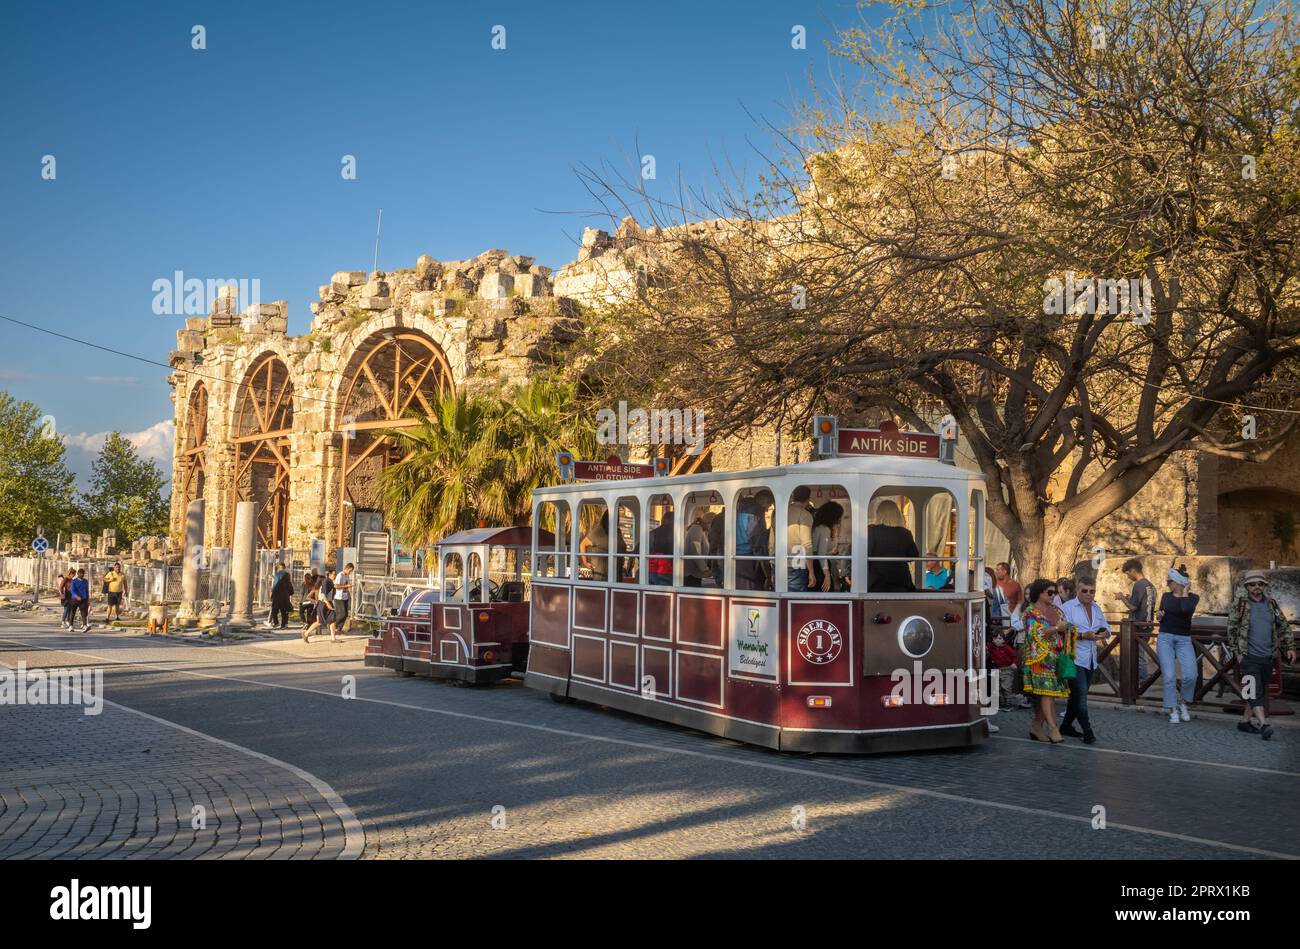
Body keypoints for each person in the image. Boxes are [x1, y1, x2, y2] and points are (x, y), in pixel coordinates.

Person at [1226, 571, 1297, 740]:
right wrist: (1238, 654)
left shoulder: (1272, 604)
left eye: (1260, 584)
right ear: (1247, 587)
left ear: (1264, 586)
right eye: (1252, 584)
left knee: (1257, 691)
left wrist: (1290, 647)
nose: (1256, 587)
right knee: (1253, 691)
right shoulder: (1240, 604)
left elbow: (1283, 626)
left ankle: (1244, 722)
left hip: (1267, 656)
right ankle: (1264, 724)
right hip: (1248, 656)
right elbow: (1231, 630)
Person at [1020, 577, 1076, 743]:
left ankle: (1037, 726)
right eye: (1050, 592)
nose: (1053, 596)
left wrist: (1069, 629)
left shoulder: (1057, 610)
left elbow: (1065, 627)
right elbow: (1034, 633)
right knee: (1047, 694)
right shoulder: (1030, 612)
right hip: (1039, 659)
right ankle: (1053, 728)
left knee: (1050, 694)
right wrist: (1057, 628)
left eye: (1055, 592)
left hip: (1056, 658)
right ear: (1039, 593)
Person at [1059, 576, 1109, 744]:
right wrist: (1082, 636)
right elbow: (1062, 631)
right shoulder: (1067, 608)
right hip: (1074, 658)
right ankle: (1088, 731)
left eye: (1092, 591)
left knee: (1077, 696)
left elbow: (1106, 627)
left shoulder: (1096, 608)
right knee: (1081, 696)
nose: (1088, 594)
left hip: (1091, 658)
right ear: (1077, 591)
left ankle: (1065, 725)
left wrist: (1104, 633)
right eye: (1084, 591)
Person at [1156, 564, 1199, 724]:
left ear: (1178, 582)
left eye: (1169, 581)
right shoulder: (1165, 597)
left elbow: (1186, 610)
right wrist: (1159, 616)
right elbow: (1160, 615)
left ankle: (1183, 703)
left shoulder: (1193, 598)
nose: (1167, 584)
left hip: (1184, 639)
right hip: (1165, 637)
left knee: (1191, 675)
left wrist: (1185, 591)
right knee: (1169, 676)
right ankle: (1173, 709)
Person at [867, 500, 919, 592]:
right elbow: (914, 555)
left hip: (877, 583)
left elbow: (866, 553)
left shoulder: (871, 531)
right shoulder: (905, 533)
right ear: (897, 514)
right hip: (901, 582)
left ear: (879, 514)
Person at [1118, 558, 1156, 680]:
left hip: (1138, 626)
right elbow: (1144, 605)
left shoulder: (1139, 584)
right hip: (1147, 624)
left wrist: (1121, 598)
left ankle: (1141, 682)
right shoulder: (1150, 585)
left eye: (1128, 573)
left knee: (1138, 657)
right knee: (1139, 655)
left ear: (1133, 570)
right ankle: (1140, 682)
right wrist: (1129, 598)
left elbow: (1133, 607)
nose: (1128, 577)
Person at [811, 501, 844, 592]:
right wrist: (827, 575)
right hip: (820, 566)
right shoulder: (825, 529)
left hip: (818, 564)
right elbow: (822, 554)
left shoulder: (819, 527)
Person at [787, 487, 814, 592]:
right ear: (808, 499)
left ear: (793, 496)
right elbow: (806, 544)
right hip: (796, 563)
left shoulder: (778, 512)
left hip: (778, 562)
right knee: (796, 601)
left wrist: (772, 560)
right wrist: (811, 571)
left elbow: (772, 540)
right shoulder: (805, 514)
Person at [304, 568, 338, 642]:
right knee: (319, 622)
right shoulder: (327, 581)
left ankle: (333, 638)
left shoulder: (330, 581)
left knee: (333, 619)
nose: (335, 576)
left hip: (326, 602)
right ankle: (306, 633)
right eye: (334, 574)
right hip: (324, 603)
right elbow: (322, 594)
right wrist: (327, 603)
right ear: (330, 574)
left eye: (336, 574)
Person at [579, 512, 610, 581]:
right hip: (601, 574)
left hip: (615, 573)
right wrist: (585, 562)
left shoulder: (618, 532)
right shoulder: (598, 531)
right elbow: (582, 544)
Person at [647, 510, 674, 585]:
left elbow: (638, 549)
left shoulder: (652, 533)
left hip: (651, 568)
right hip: (667, 568)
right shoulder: (675, 534)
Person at [683, 515, 710, 587]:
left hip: (695, 571)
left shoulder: (700, 530)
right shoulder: (696, 529)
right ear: (708, 523)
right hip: (692, 572)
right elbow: (695, 550)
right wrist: (704, 569)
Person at [270, 561, 295, 630]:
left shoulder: (277, 575)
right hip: (285, 595)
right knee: (284, 610)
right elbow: (289, 585)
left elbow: (275, 584)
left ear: (279, 567)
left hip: (277, 595)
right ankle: (284, 624)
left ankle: (276, 622)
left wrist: (272, 593)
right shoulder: (287, 575)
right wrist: (290, 592)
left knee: (274, 610)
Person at [334, 562, 355, 633]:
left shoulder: (347, 576)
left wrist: (349, 586)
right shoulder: (340, 575)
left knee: (345, 614)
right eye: (350, 571)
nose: (350, 572)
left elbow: (347, 584)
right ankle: (333, 625)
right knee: (341, 613)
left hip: (345, 597)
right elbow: (336, 586)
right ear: (347, 568)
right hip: (339, 597)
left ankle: (339, 628)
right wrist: (346, 586)